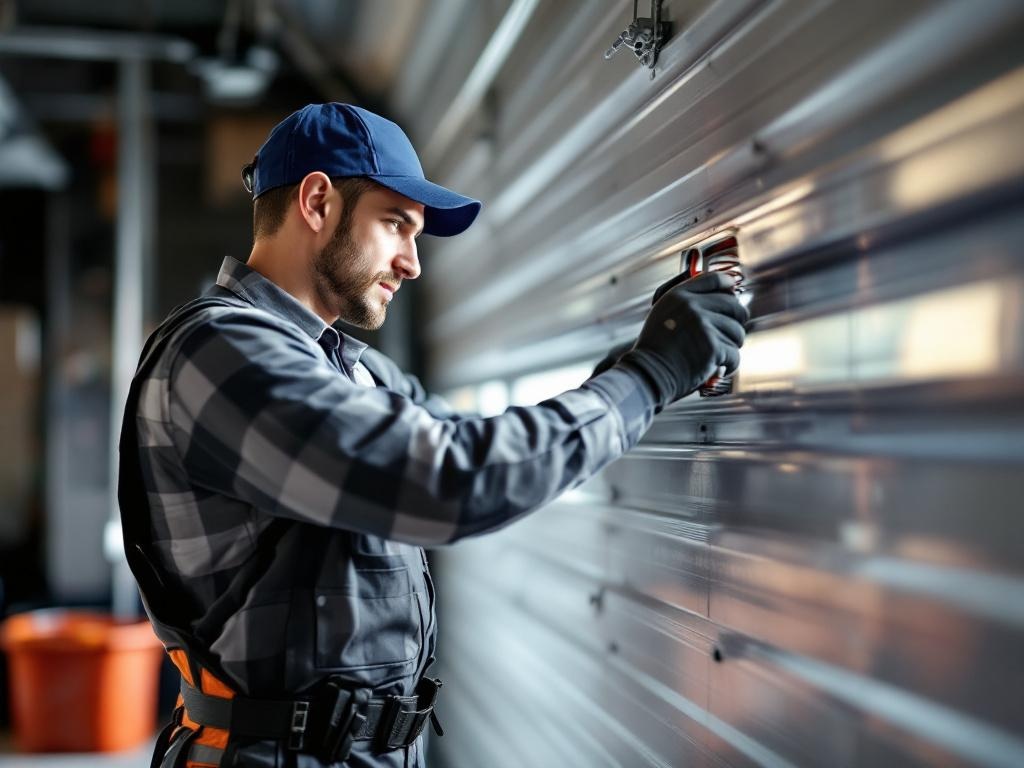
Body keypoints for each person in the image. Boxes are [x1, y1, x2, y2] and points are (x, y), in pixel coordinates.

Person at [118, 102, 748, 768]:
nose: (412, 263)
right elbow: (450, 479)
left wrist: (629, 370)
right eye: (396, 224)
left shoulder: (349, 369)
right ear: (317, 202)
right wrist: (649, 376)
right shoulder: (219, 351)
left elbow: (483, 445)